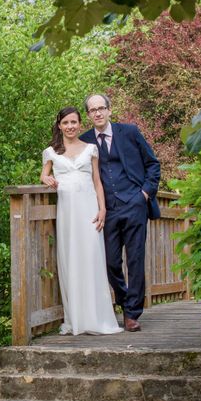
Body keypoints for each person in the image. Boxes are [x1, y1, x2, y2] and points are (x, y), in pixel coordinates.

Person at [80, 94, 161, 332]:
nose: (98, 113)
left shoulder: (130, 132)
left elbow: (153, 164)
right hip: (107, 210)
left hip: (134, 204)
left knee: (135, 260)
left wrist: (144, 194)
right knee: (111, 262)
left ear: (109, 110)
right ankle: (124, 300)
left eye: (101, 108)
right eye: (92, 110)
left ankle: (132, 313)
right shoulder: (85, 141)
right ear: (88, 115)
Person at [40, 106, 123, 335]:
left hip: (89, 210)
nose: (70, 126)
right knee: (71, 259)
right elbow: (43, 174)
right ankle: (76, 318)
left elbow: (97, 181)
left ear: (80, 124)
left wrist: (103, 208)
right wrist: (47, 178)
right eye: (66, 123)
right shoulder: (51, 151)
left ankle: (97, 318)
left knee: (92, 259)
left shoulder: (91, 149)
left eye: (74, 122)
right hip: (68, 212)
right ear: (59, 125)